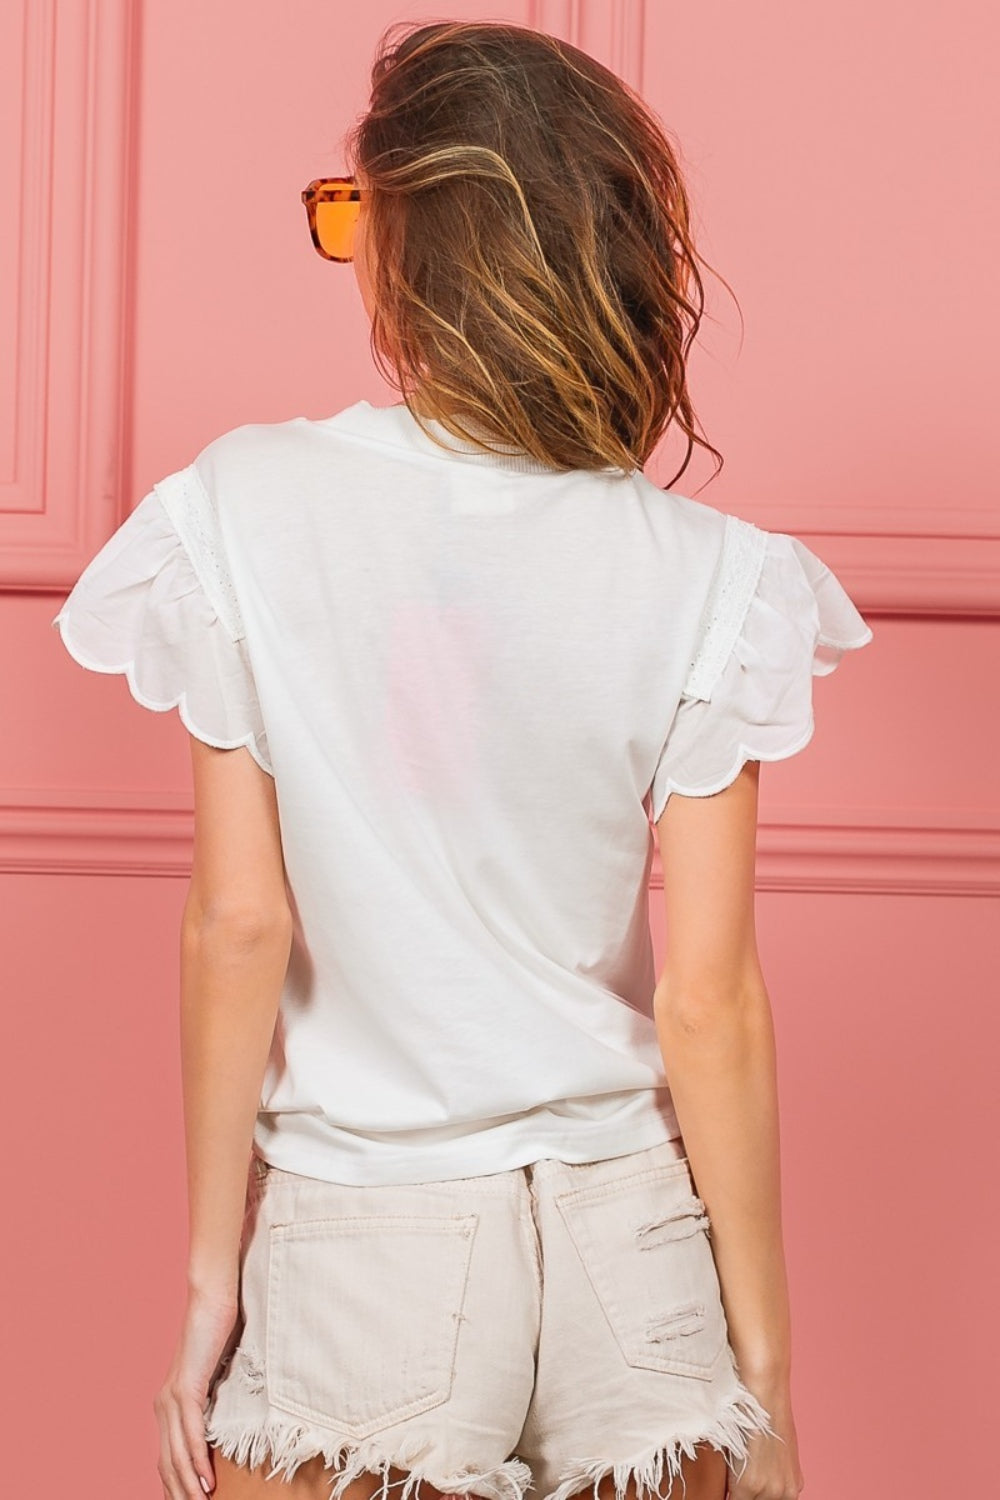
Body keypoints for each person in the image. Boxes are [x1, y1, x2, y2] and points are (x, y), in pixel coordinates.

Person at [51, 20, 873, 1500]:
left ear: (410, 238)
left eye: (349, 208)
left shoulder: (242, 509)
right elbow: (710, 1000)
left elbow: (242, 922)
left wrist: (205, 1289)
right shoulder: (710, 572)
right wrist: (764, 1374)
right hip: (631, 1243)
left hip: (368, 1232)